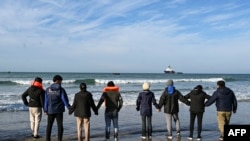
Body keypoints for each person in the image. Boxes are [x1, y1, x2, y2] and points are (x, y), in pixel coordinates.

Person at [44, 75, 71, 141]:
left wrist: (45, 109)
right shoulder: (61, 89)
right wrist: (69, 107)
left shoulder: (48, 89)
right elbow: (64, 100)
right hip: (59, 110)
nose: (61, 82)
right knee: (60, 126)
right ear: (58, 80)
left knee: (49, 126)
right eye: (61, 81)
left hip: (50, 110)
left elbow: (46, 100)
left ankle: (47, 139)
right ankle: (59, 139)